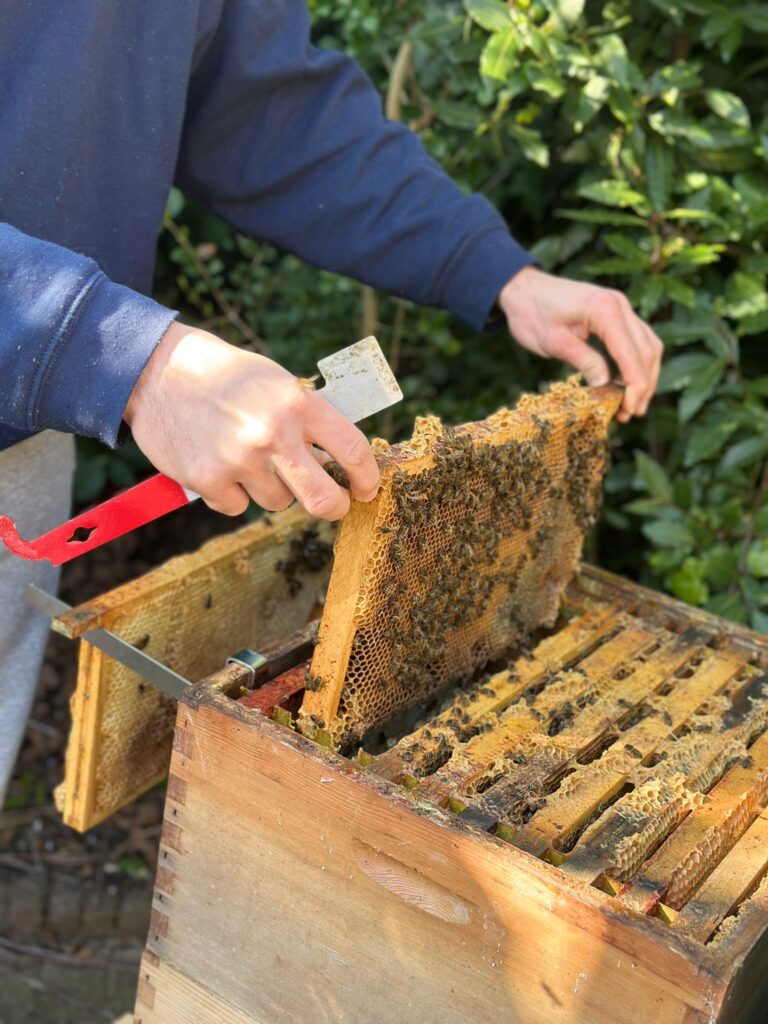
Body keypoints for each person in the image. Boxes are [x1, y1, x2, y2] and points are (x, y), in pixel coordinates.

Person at [0, 1, 661, 805]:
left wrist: (492, 269)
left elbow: (265, 110)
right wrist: (125, 358)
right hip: (57, 372)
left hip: (26, 423)